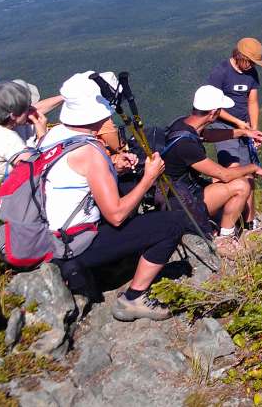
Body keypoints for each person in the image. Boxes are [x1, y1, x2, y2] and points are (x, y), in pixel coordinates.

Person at [41, 73, 185, 321]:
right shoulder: (90, 152)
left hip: (49, 238)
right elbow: (116, 216)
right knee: (173, 223)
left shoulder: (54, 137)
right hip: (75, 245)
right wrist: (148, 177)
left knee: (125, 193)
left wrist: (113, 166)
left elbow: (73, 178)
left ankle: (117, 267)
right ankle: (134, 299)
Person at [163, 85, 262, 256]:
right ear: (212, 113)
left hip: (181, 192)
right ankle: (224, 240)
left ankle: (244, 225)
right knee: (241, 185)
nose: (220, 113)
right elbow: (224, 175)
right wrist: (254, 167)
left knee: (239, 173)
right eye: (219, 111)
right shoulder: (185, 144)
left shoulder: (183, 124)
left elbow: (209, 135)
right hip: (183, 204)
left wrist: (244, 133)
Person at [206, 37, 262, 229]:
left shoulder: (251, 73)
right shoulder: (221, 72)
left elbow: (252, 102)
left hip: (245, 128)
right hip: (224, 128)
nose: (251, 66)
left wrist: (254, 129)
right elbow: (213, 105)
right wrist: (238, 124)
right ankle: (228, 225)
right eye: (249, 61)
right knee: (234, 173)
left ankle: (249, 223)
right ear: (239, 56)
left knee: (249, 174)